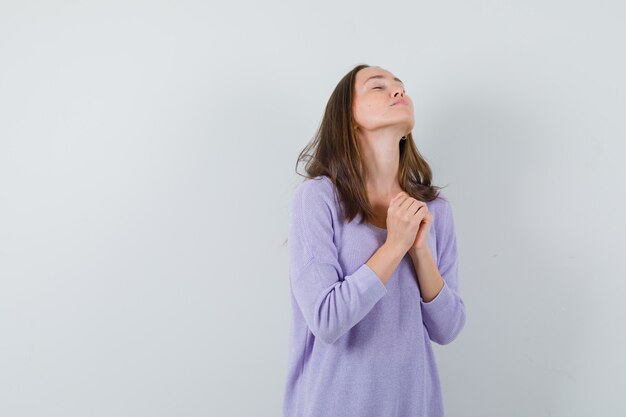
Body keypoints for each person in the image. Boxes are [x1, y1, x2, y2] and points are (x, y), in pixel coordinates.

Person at [282, 64, 467, 417]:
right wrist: (395, 245)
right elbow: (326, 319)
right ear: (348, 118)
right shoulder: (317, 199)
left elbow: (448, 328)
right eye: (378, 87)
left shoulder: (434, 211)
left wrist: (420, 250)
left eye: (400, 86)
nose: (398, 91)